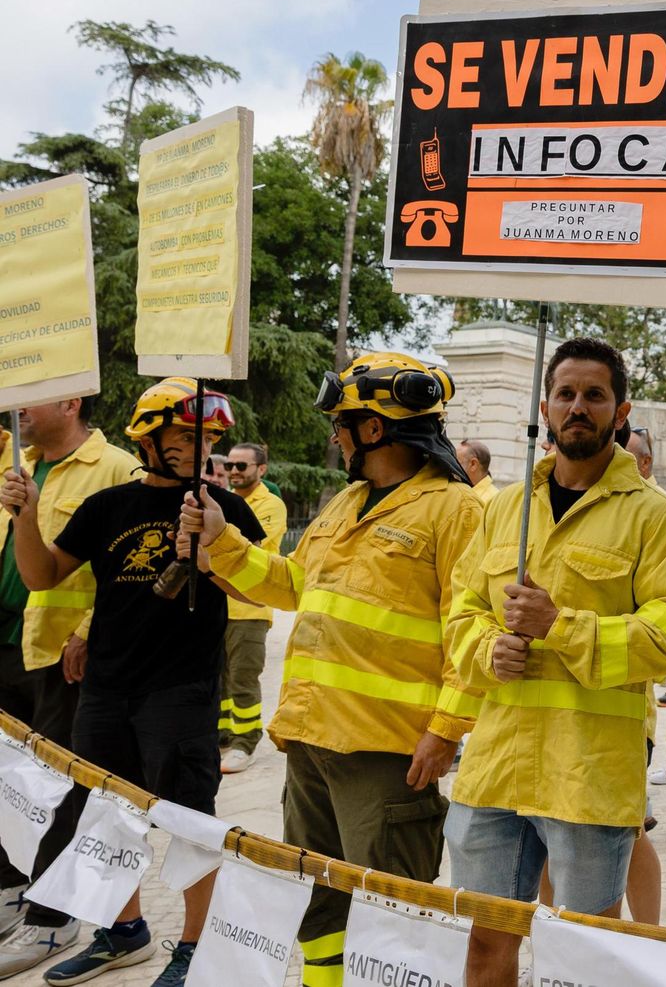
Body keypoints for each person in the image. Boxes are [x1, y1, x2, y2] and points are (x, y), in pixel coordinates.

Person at [182, 353, 482, 987]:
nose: (335, 434)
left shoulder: (455, 509)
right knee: (319, 904)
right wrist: (223, 542)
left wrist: (447, 729)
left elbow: (470, 627)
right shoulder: (347, 501)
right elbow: (294, 585)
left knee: (393, 910)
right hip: (310, 741)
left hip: (387, 750)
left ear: (376, 430)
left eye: (343, 422)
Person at [441, 337, 666, 987]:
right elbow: (462, 610)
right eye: (565, 394)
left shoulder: (655, 517)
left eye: (594, 394)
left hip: (591, 775)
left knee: (583, 960)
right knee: (484, 946)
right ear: (546, 408)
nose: (577, 406)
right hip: (495, 770)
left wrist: (561, 626)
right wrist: (483, 648)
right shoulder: (504, 508)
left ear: (621, 409)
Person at [3, 381, 263, 987]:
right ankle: (123, 934)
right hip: (106, 690)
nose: (200, 448)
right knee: (106, 816)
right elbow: (41, 575)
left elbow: (256, 593)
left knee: (190, 821)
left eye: (208, 438)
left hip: (182, 690)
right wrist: (26, 512)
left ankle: (196, 950)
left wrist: (215, 545)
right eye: (183, 435)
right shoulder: (108, 507)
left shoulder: (227, 509)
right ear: (147, 438)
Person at [0, 399, 140, 976]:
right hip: (9, 642)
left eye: (30, 396)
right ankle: (11, 893)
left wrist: (88, 630)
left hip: (64, 655)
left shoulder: (117, 468)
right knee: (10, 782)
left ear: (69, 400)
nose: (15, 408)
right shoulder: (15, 464)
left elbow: (132, 564)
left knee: (60, 790)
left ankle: (53, 920)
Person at [216, 442, 287, 775]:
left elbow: (251, 547)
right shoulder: (221, 501)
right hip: (218, 603)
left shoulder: (270, 505)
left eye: (241, 466)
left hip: (250, 607)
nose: (233, 472)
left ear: (262, 470)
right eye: (230, 465)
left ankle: (245, 743)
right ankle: (223, 735)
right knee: (219, 678)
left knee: (243, 678)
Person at [456, 439, 498, 504]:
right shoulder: (460, 492)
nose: (453, 468)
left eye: (457, 463)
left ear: (473, 464)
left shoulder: (494, 501)